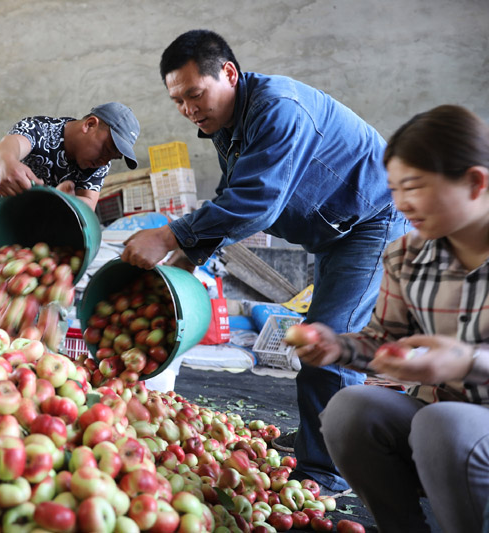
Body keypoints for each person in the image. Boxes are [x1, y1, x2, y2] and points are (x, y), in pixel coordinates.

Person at [121, 29, 408, 491]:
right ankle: (322, 437)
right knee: (320, 339)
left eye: (195, 94)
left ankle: (330, 471)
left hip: (372, 222)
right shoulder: (226, 123)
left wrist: (170, 232)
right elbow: (232, 195)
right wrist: (191, 255)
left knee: (327, 344)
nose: (189, 109)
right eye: (178, 101)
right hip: (335, 231)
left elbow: (257, 202)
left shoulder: (278, 108)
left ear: (228, 74)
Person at [295, 105, 489, 533]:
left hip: (457, 427)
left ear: (475, 183)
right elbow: (382, 338)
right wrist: (337, 346)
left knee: (443, 424)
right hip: (438, 423)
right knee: (350, 408)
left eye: (415, 187)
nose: (401, 203)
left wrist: (465, 362)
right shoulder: (407, 255)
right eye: (395, 188)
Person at [0, 102, 140, 217]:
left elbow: (89, 204)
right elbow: (11, 144)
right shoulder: (40, 130)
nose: (105, 162)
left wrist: (67, 199)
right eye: (106, 150)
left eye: (113, 158)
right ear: (90, 124)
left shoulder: (99, 164)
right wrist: (6, 163)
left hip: (41, 238)